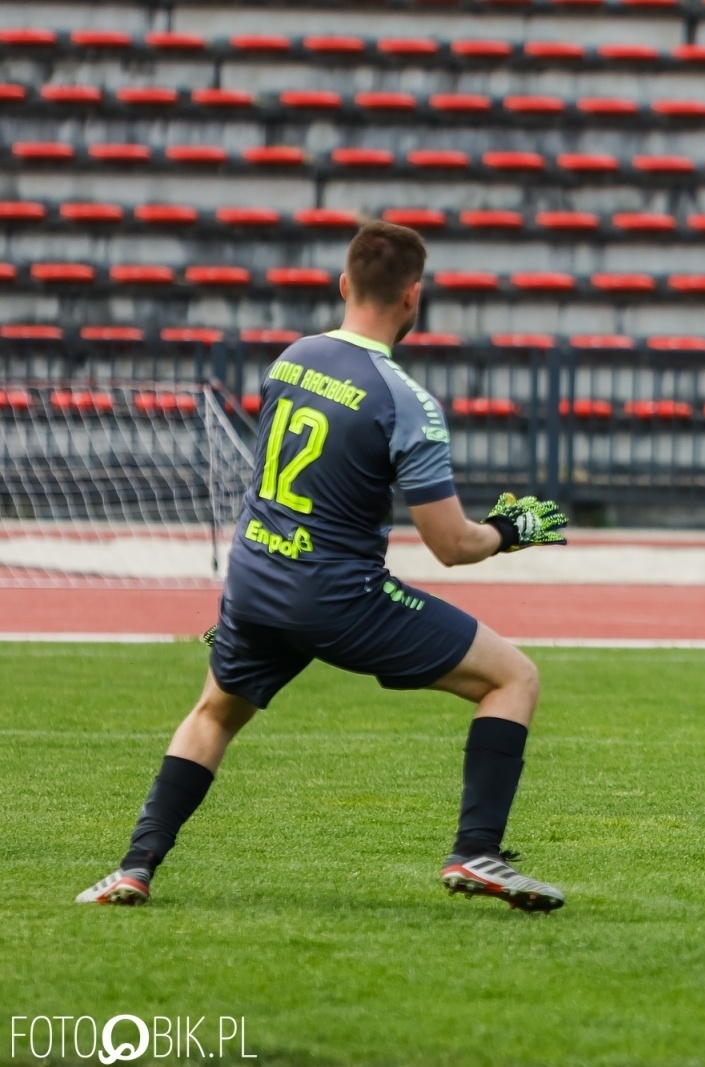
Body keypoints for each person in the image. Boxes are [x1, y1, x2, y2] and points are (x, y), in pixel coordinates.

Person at [77, 221, 572, 911]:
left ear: (343, 285)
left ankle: (134, 866)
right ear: (413, 297)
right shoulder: (407, 401)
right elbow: (451, 545)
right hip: (338, 595)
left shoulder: (291, 359)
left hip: (254, 581)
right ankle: (476, 851)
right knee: (514, 677)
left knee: (214, 712)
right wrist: (507, 530)